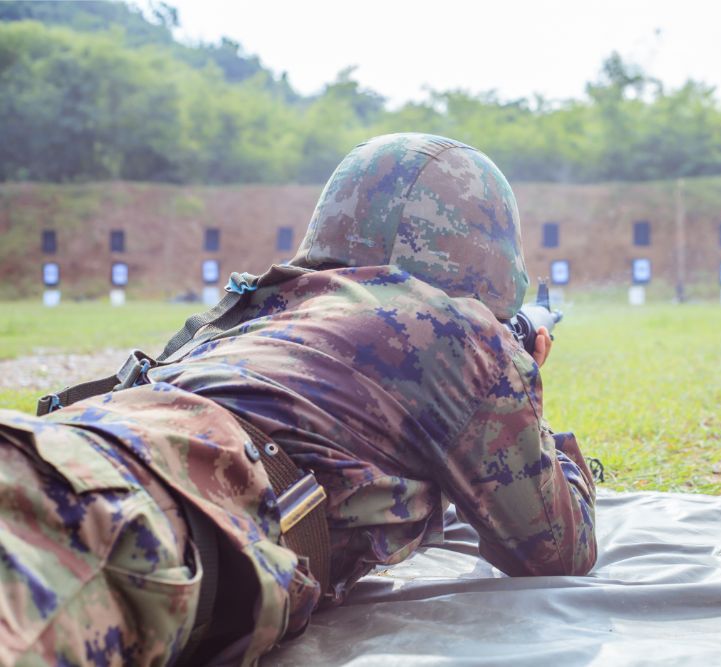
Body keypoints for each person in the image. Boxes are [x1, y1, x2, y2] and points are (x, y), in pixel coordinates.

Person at [0, 133, 597, 666]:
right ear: (483, 251)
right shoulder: (454, 330)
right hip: (131, 508)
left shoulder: (258, 306)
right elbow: (556, 550)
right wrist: (522, 384)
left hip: (62, 449)